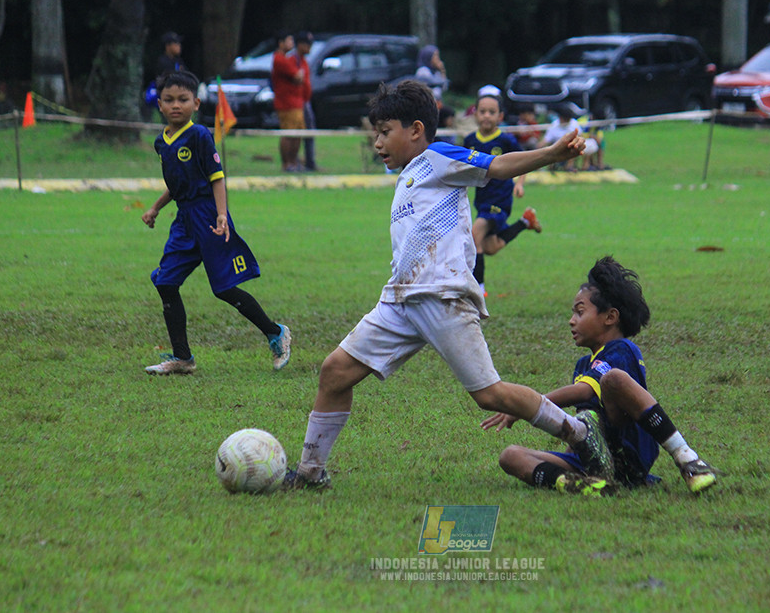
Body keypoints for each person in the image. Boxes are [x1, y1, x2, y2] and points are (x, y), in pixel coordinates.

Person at [283, 79, 613, 491]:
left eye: (385, 132)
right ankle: (310, 473)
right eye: (376, 135)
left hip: (442, 297)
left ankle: (580, 433)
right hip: (400, 300)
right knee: (334, 373)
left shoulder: (437, 157)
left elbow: (496, 166)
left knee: (490, 395)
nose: (378, 143)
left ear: (416, 130)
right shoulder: (406, 176)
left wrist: (552, 153)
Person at [482, 256, 718, 497]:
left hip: (627, 458)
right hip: (593, 462)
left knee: (613, 380)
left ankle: (687, 459)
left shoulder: (622, 350)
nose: (571, 320)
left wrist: (526, 405)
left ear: (610, 317)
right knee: (511, 456)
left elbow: (586, 391)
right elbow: (588, 419)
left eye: (580, 312)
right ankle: (581, 485)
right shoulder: (583, 365)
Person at [140, 70, 291, 375]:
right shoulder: (162, 142)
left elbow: (216, 177)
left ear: (195, 103)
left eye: (183, 99)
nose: (175, 106)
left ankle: (276, 332)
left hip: (210, 215)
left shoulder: (199, 135)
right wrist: (155, 207)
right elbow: (178, 182)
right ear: (159, 105)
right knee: (166, 282)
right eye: (168, 100)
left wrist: (222, 215)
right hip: (184, 220)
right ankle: (182, 358)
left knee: (223, 288)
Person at [463, 92, 542, 297]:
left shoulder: (506, 140)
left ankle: (478, 289)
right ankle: (525, 222)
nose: (487, 116)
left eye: (492, 112)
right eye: (482, 112)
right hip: (481, 201)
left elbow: (524, 161)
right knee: (490, 247)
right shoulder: (470, 140)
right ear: (475, 115)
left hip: (500, 198)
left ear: (500, 116)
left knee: (474, 236)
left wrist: (520, 183)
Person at [271, 30, 313, 172]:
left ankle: (294, 162)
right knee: (288, 134)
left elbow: (301, 77)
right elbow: (297, 76)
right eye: (289, 41)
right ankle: (287, 163)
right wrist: (298, 76)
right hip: (287, 103)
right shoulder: (280, 59)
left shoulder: (294, 60)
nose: (292, 44)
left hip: (297, 102)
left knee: (298, 134)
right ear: (281, 43)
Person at [542, 105, 583, 171]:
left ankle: (570, 167)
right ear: (560, 118)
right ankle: (551, 168)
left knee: (574, 146)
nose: (567, 122)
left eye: (568, 120)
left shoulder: (574, 123)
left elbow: (581, 136)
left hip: (571, 147)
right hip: (556, 148)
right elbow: (545, 141)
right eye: (565, 119)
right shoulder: (554, 126)